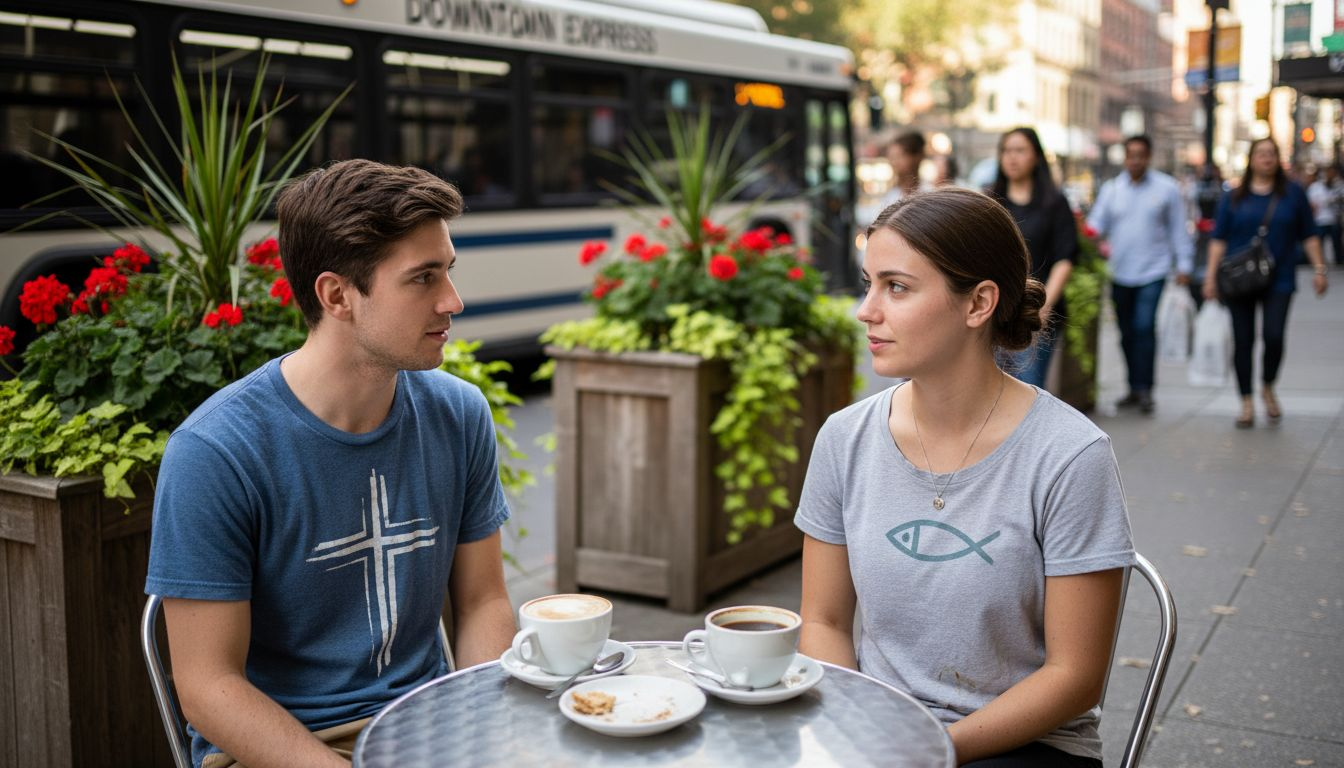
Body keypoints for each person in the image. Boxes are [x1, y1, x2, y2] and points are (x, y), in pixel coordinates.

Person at [145, 160, 516, 768]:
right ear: (337, 295)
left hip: (429, 728)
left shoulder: (459, 414)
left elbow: (481, 602)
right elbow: (208, 689)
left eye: (447, 271)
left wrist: (487, 726)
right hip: (284, 748)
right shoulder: (217, 452)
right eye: (423, 278)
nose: (453, 300)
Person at [796, 187, 1134, 768]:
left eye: (896, 287)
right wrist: (859, 728)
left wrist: (928, 750)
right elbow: (823, 620)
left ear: (978, 303)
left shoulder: (1070, 455)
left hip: (1024, 741)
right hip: (881, 729)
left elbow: (1075, 677)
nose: (866, 310)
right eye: (868, 282)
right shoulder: (843, 438)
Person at [1204, 137, 1328, 428]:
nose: (1267, 159)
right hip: (1239, 279)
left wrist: (1320, 269)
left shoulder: (1293, 194)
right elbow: (1218, 240)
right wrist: (1210, 278)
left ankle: (1268, 385)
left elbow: (1309, 234)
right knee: (1243, 340)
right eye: (1261, 154)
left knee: (1274, 337)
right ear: (1251, 159)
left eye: (1272, 154)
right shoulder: (1233, 196)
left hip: (1280, 277)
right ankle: (1246, 401)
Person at [1087, 135, 1194, 414]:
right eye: (1131, 154)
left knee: (1144, 327)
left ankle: (1146, 389)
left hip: (1153, 271)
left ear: (1149, 157)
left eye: (1140, 155)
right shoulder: (1112, 190)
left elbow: (1178, 230)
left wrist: (1184, 265)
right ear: (1125, 157)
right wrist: (1086, 236)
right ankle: (1133, 387)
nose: (1135, 160)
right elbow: (1096, 224)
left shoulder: (1167, 189)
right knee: (1126, 332)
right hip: (1120, 272)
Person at [986, 127, 1077, 388]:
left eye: (1020, 150)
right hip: (993, 312)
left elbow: (1065, 257)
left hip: (1035, 312)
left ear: (1036, 157)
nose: (1011, 157)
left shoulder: (1054, 203)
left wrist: (1044, 305)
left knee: (1029, 388)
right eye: (1006, 151)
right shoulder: (991, 202)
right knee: (990, 390)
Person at [1307, 164, 1342, 266]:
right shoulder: (1315, 187)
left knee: (1336, 242)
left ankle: (1338, 260)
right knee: (1319, 242)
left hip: (1334, 220)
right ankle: (1318, 261)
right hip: (1320, 220)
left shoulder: (1339, 186)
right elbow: (1311, 204)